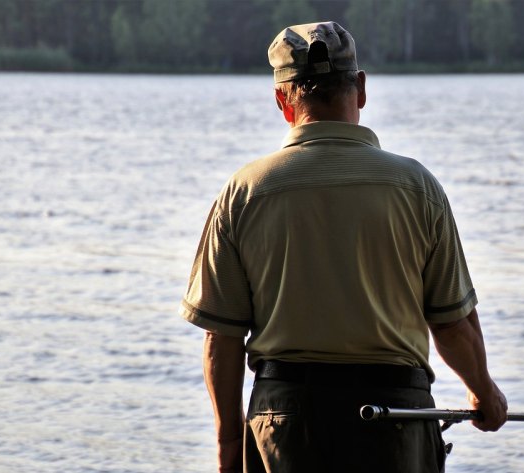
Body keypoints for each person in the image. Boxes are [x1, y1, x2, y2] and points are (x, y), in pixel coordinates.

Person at [179, 21, 507, 473]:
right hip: (396, 416)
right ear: (361, 88)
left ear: (282, 100)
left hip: (283, 419)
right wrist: (483, 393)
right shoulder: (416, 187)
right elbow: (452, 324)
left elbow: (222, 338)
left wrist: (229, 446)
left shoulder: (244, 191)